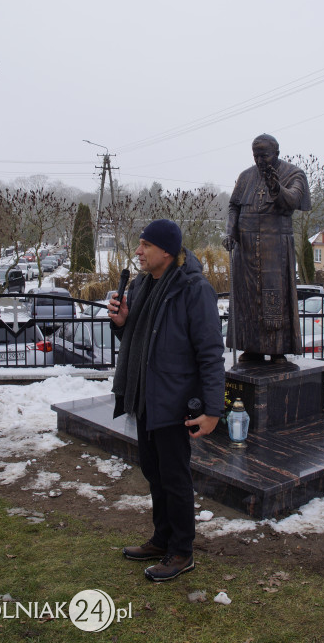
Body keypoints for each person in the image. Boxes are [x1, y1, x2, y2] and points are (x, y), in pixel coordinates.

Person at [108, 219, 225, 582]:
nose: (138, 251)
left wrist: (213, 410)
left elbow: (210, 354)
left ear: (167, 251)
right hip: (145, 396)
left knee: (174, 478)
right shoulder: (143, 284)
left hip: (174, 400)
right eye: (140, 244)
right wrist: (121, 323)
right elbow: (141, 338)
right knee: (154, 472)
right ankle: (162, 539)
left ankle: (182, 551)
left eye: (145, 245)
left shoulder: (194, 289)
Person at [223, 134, 311, 362]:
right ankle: (250, 347)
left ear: (277, 154)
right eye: (256, 156)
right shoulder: (246, 176)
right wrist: (230, 232)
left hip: (275, 248)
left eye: (265, 156)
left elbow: (293, 200)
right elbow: (234, 206)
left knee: (274, 299)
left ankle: (277, 348)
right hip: (246, 249)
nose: (260, 161)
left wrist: (276, 187)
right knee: (248, 299)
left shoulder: (294, 173)